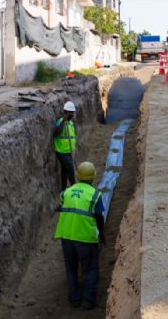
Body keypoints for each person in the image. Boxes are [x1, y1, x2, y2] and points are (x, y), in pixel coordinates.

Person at [54, 161, 106, 310]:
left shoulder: (66, 192)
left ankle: (75, 299)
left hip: (66, 236)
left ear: (78, 176)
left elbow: (64, 202)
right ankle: (89, 300)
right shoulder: (95, 195)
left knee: (71, 268)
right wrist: (101, 235)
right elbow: (99, 217)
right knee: (90, 268)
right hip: (84, 238)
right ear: (93, 177)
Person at [53, 101, 77, 189]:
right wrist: (63, 120)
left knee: (65, 171)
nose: (73, 114)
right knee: (71, 170)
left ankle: (63, 189)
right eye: (72, 113)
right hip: (61, 152)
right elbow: (56, 134)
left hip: (69, 152)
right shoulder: (60, 122)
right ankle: (75, 188)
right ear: (67, 112)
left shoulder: (71, 123)